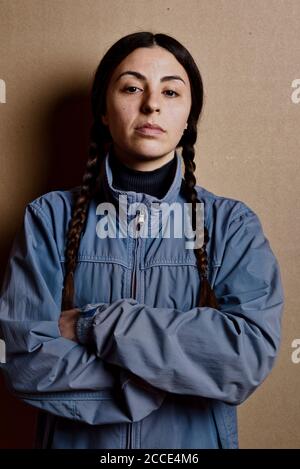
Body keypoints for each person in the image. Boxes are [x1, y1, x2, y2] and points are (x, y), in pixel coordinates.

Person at [0, 31, 284, 449]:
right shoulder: (48, 219)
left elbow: (247, 355)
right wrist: (163, 378)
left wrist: (93, 323)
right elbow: (23, 357)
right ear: (103, 110)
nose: (151, 104)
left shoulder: (231, 224)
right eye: (132, 87)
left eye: (171, 92)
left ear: (188, 117)